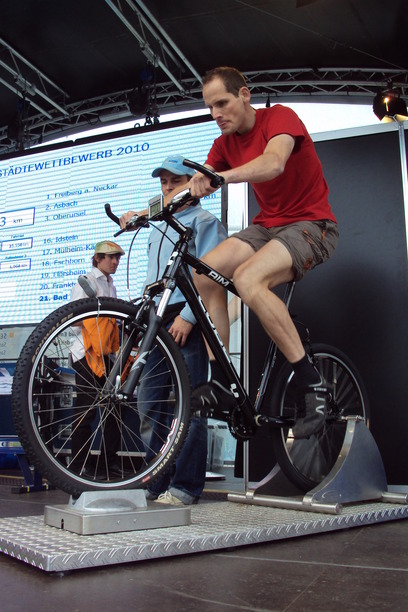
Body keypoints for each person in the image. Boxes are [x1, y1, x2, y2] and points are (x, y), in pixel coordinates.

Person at [187, 66, 339, 439]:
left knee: (248, 278)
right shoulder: (223, 143)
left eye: (222, 103)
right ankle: (222, 381)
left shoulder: (280, 117)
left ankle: (312, 383)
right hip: (267, 227)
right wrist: (144, 212)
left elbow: (274, 163)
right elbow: (196, 184)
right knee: (202, 272)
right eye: (210, 108)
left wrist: (221, 176)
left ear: (244, 95)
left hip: (312, 225)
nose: (216, 114)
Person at [120, 154, 227, 504]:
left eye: (175, 181)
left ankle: (185, 485)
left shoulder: (205, 221)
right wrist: (131, 217)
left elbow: (213, 277)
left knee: (190, 403)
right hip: (155, 316)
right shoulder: (159, 221)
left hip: (185, 315)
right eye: (163, 182)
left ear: (192, 184)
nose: (167, 188)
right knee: (150, 401)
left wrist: (191, 317)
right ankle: (154, 480)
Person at [69, 240, 125, 478]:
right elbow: (73, 320)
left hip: (107, 355)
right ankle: (78, 465)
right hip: (86, 353)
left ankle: (107, 464)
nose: (115, 262)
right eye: (111, 257)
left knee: (115, 408)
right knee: (86, 409)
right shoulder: (87, 282)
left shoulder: (111, 285)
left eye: (118, 258)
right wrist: (97, 324)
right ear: (98, 259)